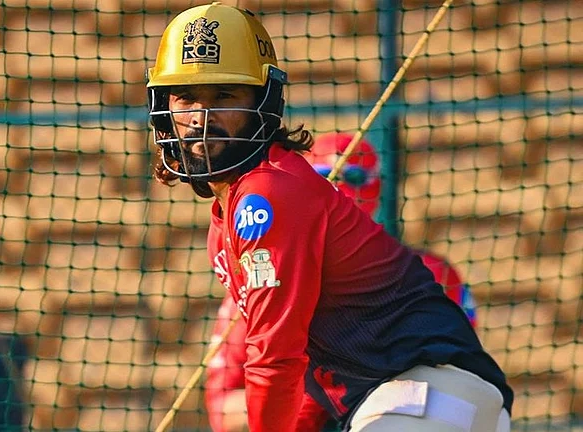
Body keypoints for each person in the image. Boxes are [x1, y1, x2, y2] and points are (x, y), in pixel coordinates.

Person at [146, 3, 513, 431]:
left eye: (224, 95)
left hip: (423, 397)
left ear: (264, 102)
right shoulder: (228, 218)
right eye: (186, 96)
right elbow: (300, 373)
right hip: (409, 404)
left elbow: (275, 357)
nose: (199, 117)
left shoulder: (265, 195)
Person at [203, 133, 478, 432]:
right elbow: (222, 407)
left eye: (357, 177)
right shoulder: (259, 287)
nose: (341, 188)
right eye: (323, 175)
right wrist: (299, 398)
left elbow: (461, 375)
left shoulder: (430, 274)